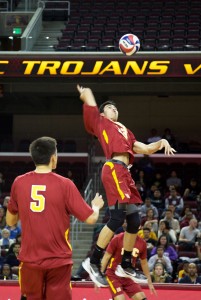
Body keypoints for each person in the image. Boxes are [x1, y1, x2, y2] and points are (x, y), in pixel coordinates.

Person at [77, 84, 176, 286]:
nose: (114, 109)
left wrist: (162, 142)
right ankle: (93, 261)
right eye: (110, 107)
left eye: (116, 107)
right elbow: (91, 106)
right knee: (117, 217)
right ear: (103, 113)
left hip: (125, 172)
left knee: (133, 222)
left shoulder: (125, 130)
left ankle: (126, 264)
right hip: (113, 168)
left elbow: (146, 148)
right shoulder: (101, 122)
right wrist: (87, 93)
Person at [6, 136, 104, 300]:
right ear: (53, 158)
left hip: (30, 260)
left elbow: (10, 221)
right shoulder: (65, 184)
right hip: (58, 261)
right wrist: (96, 206)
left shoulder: (19, 182)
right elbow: (91, 219)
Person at [101, 232, 157, 300]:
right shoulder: (117, 238)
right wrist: (99, 275)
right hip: (113, 274)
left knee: (142, 298)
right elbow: (106, 256)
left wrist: (150, 282)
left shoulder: (142, 243)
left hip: (129, 276)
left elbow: (144, 263)